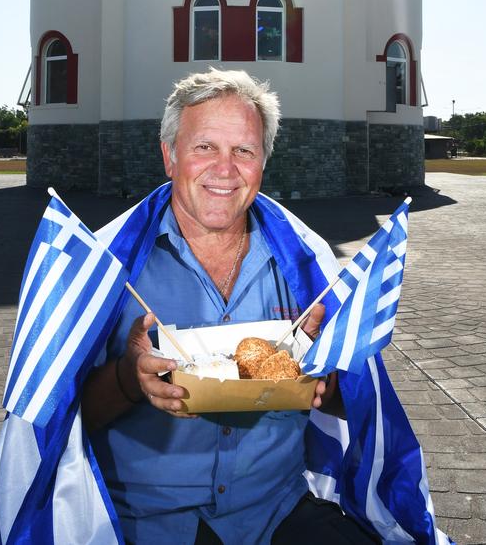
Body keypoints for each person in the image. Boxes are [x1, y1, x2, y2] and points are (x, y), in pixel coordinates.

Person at [82, 69, 377, 545]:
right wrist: (127, 378)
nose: (225, 169)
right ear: (169, 156)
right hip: (141, 521)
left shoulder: (308, 268)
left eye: (244, 151)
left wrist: (328, 371)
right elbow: (60, 422)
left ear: (263, 163)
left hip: (275, 510)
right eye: (204, 147)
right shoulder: (106, 266)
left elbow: (354, 404)